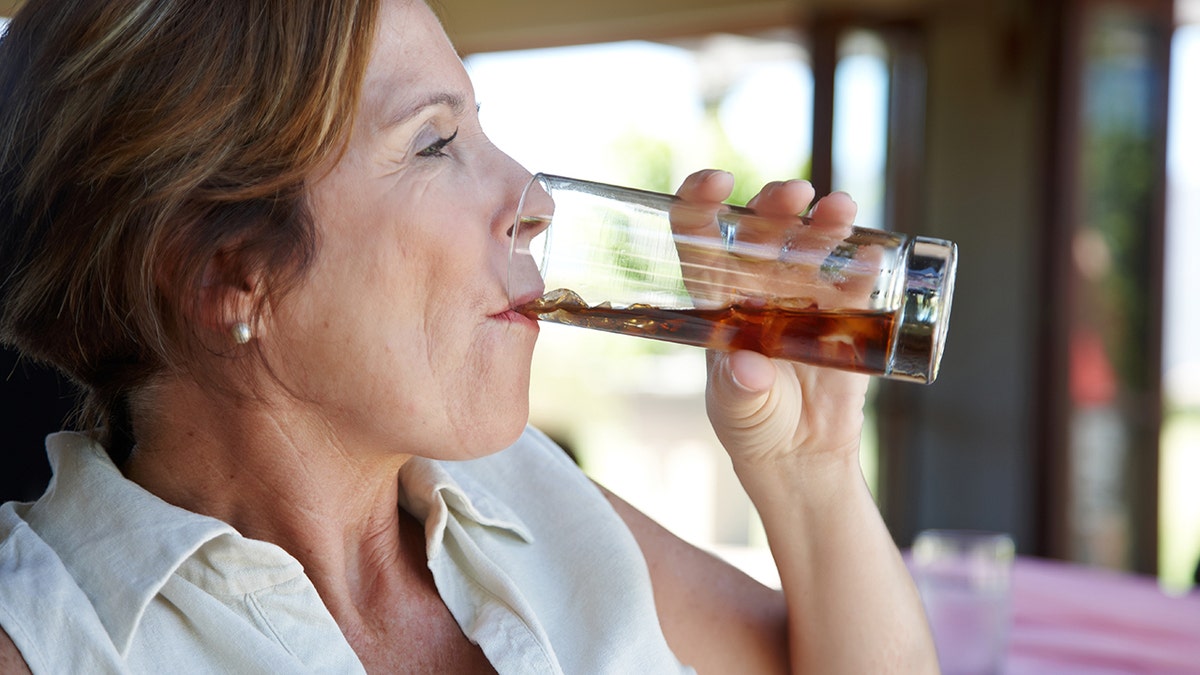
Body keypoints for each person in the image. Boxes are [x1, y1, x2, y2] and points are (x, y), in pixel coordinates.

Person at [0, 0, 938, 672]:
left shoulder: (522, 488)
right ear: (226, 272)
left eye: (480, 128)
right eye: (434, 143)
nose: (531, 198)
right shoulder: (48, 640)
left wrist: (808, 471)